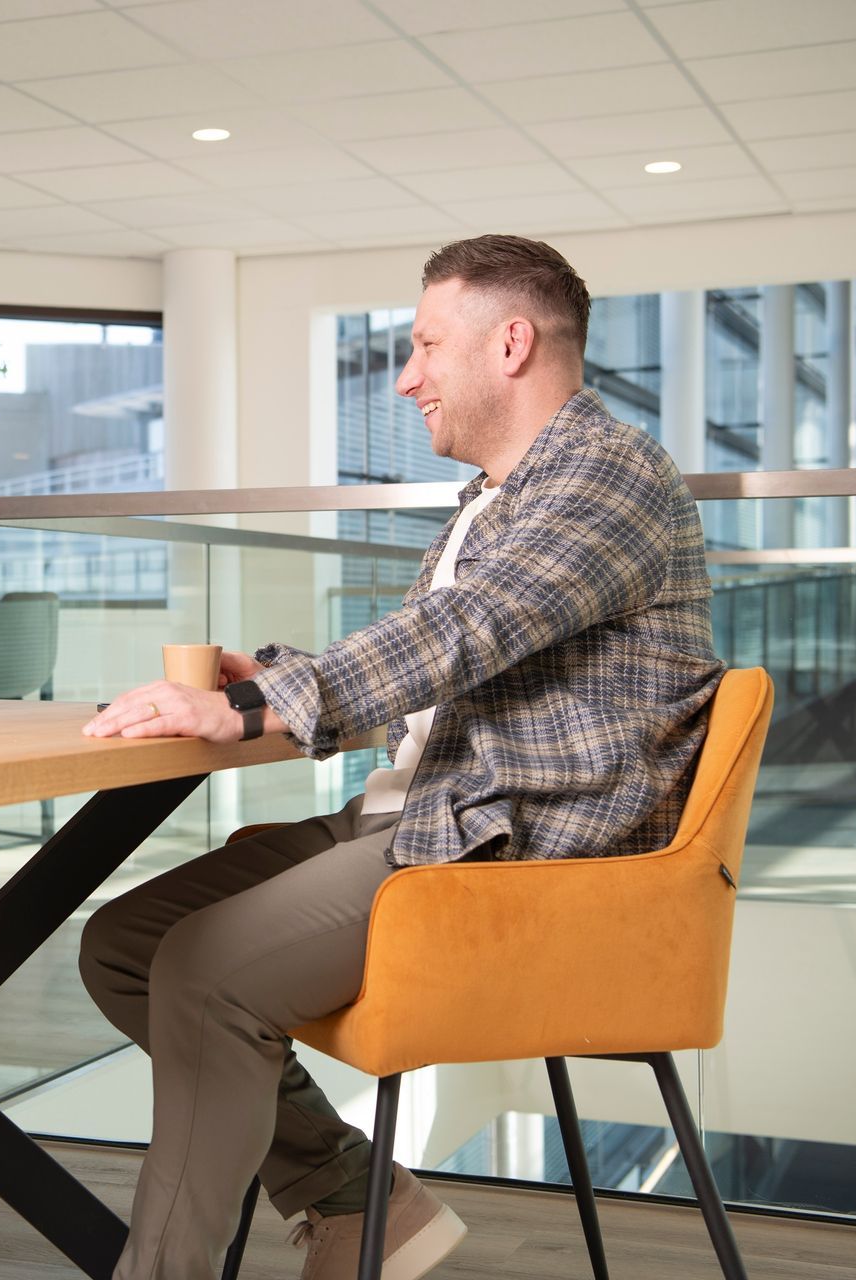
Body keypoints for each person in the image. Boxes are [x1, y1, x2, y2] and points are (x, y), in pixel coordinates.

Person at [79, 234, 725, 1280]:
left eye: (427, 343)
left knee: (201, 970)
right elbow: (448, 682)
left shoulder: (611, 474)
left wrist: (251, 708)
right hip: (426, 816)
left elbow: (470, 629)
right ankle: (351, 1196)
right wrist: (266, 679)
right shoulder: (491, 501)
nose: (408, 375)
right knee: (124, 942)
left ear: (510, 343)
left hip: (510, 853)